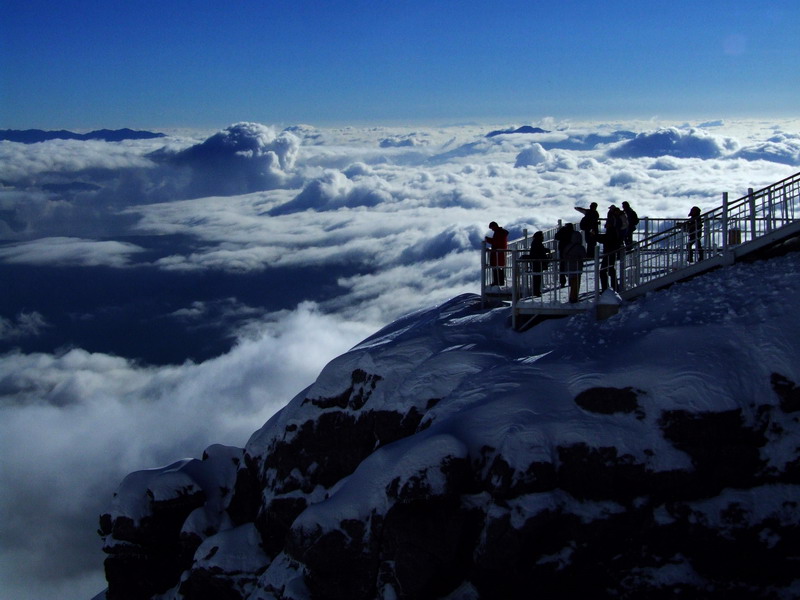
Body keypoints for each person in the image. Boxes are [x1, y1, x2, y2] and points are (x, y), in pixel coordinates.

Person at [598, 206, 625, 292]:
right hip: (612, 251)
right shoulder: (614, 230)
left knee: (604, 271)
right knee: (610, 270)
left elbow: (606, 239)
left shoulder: (612, 231)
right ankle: (614, 287)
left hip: (609, 252)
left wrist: (595, 236)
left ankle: (607, 289)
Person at [525, 231, 551, 297]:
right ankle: (536, 292)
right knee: (537, 277)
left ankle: (536, 291)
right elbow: (540, 251)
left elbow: (540, 250)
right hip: (537, 262)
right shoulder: (537, 243)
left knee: (537, 277)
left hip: (536, 262)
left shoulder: (536, 242)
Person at [485, 221, 509, 286]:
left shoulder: (499, 233)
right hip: (500, 252)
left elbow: (496, 242)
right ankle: (500, 281)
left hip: (497, 253)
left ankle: (497, 282)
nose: (492, 229)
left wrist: (487, 239)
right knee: (499, 268)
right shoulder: (501, 232)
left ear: (495, 226)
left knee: (496, 268)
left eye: (492, 228)